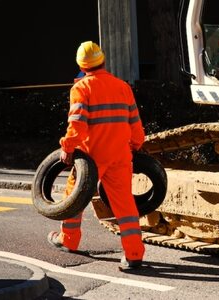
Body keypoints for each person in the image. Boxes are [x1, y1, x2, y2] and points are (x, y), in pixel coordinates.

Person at [47, 41, 146, 270]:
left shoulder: (81, 88)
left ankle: (68, 240)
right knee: (125, 204)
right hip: (120, 154)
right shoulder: (122, 86)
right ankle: (133, 254)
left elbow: (77, 126)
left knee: (74, 197)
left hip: (92, 156)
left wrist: (68, 148)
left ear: (82, 65)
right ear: (103, 61)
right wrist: (137, 145)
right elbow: (135, 122)